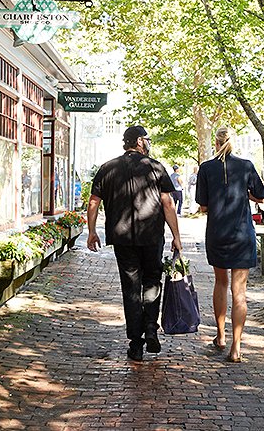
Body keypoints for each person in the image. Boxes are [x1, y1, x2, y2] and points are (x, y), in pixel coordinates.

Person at [87, 125, 182, 362]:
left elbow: (93, 202)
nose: (149, 143)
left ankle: (136, 343)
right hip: (152, 236)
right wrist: (176, 236)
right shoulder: (156, 167)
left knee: (131, 287)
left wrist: (91, 232)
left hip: (122, 237)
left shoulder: (107, 168)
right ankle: (150, 327)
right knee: (152, 281)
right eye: (147, 139)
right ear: (139, 141)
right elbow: (168, 204)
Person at [196, 126, 264, 363]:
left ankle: (220, 335)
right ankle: (236, 347)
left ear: (215, 144)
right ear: (232, 143)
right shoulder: (246, 166)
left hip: (217, 233)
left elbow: (203, 205)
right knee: (240, 292)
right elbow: (261, 195)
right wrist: (245, 195)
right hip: (242, 235)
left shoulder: (206, 168)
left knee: (220, 282)